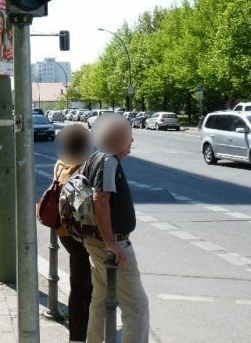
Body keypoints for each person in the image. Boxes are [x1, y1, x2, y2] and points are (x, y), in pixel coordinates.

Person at [83, 113, 148, 343]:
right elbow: (100, 201)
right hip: (112, 244)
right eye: (129, 138)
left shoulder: (94, 157)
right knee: (137, 306)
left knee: (101, 300)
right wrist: (112, 244)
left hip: (95, 240)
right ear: (117, 139)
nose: (131, 143)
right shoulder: (108, 161)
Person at [54, 125, 93, 343]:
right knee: (82, 286)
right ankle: (78, 336)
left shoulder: (60, 164)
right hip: (79, 232)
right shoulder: (84, 167)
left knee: (82, 284)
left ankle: (81, 332)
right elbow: (84, 205)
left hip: (63, 230)